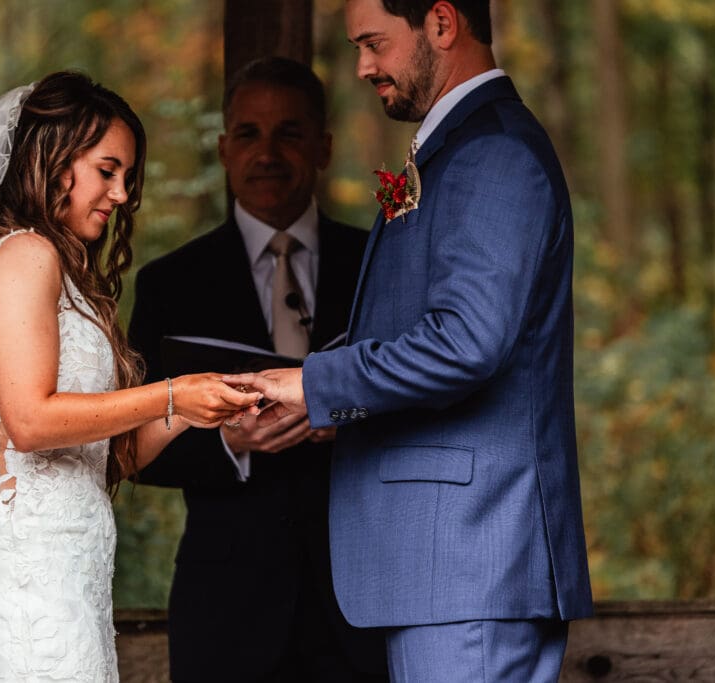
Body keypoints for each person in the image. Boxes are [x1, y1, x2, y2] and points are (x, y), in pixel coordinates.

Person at [225, 2, 594, 681]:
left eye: (374, 44)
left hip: (471, 563)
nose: (363, 66)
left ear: (442, 24)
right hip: (447, 571)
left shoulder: (495, 154)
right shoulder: (459, 148)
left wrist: (314, 383)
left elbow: (467, 342)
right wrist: (339, 415)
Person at [0, 71, 260, 682]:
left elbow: (110, 457)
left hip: (64, 590)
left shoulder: (63, 275)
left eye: (128, 177)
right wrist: (168, 391)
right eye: (108, 170)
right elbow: (29, 421)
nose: (122, 194)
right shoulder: (28, 255)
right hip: (25, 595)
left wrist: (188, 408)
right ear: (53, 160)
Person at [128, 57, 388, 682]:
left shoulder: (379, 264)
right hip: (227, 609)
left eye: (289, 133)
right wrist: (228, 443)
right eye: (248, 133)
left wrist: (346, 416)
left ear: (323, 147)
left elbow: (424, 396)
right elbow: (133, 448)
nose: (266, 152)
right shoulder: (170, 284)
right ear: (223, 148)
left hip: (364, 602)